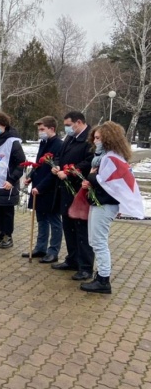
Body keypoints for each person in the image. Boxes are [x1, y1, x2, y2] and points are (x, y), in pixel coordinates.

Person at [80, 122, 144, 294]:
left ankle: (103, 279)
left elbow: (108, 184)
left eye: (99, 138)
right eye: (94, 138)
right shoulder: (109, 157)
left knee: (99, 242)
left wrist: (91, 177)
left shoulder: (111, 158)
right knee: (95, 241)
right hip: (101, 202)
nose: (95, 141)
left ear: (108, 139)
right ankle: (101, 275)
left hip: (105, 204)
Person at [50, 111, 95, 281]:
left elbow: (89, 162)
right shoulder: (70, 138)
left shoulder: (90, 139)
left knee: (81, 229)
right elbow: (60, 156)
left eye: (69, 125)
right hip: (65, 190)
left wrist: (69, 172)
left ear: (79, 122)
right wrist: (56, 166)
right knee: (68, 226)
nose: (67, 128)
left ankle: (85, 267)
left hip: (80, 189)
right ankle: (72, 259)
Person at [21, 116, 63, 262]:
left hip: (51, 188)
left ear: (52, 128)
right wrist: (31, 176)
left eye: (42, 129)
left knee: (54, 221)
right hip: (38, 186)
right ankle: (40, 247)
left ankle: (53, 251)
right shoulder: (43, 143)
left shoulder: (58, 145)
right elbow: (39, 164)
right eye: (39, 129)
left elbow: (54, 170)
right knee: (41, 219)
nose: (40, 132)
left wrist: (41, 186)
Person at [0, 112, 25, 249]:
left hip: (7, 183)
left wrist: (12, 180)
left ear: (4, 126)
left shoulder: (13, 142)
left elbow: (21, 163)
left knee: (7, 211)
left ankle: (8, 235)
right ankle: (0, 232)